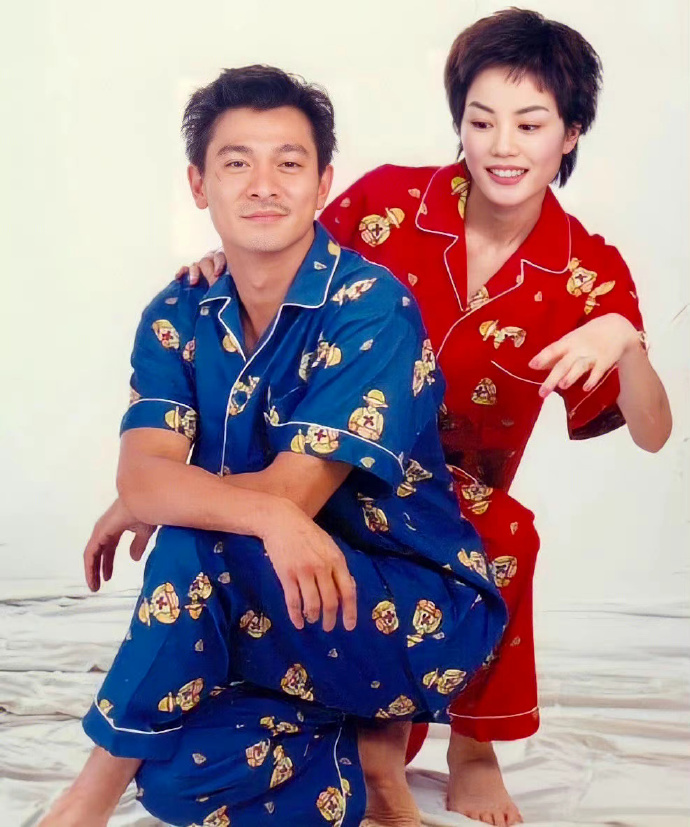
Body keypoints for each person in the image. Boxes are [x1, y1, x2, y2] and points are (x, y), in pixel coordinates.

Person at [181, 10, 672, 826]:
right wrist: (223, 260)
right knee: (311, 743)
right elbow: (282, 256)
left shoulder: (587, 272)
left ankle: (473, 749)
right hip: (327, 458)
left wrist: (627, 340)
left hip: (440, 503)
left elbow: (653, 432)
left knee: (506, 534)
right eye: (481, 121)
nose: (502, 146)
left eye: (529, 124)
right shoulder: (388, 202)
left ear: (571, 134)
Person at [39, 66, 508, 827]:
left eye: (288, 163)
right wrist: (164, 496)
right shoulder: (179, 311)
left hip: (410, 610)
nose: (263, 185)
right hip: (271, 607)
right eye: (237, 163)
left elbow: (288, 494)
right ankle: (357, 764)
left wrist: (167, 499)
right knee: (175, 783)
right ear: (199, 184)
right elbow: (148, 476)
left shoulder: (371, 307)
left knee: (195, 540)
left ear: (323, 184)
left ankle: (84, 800)